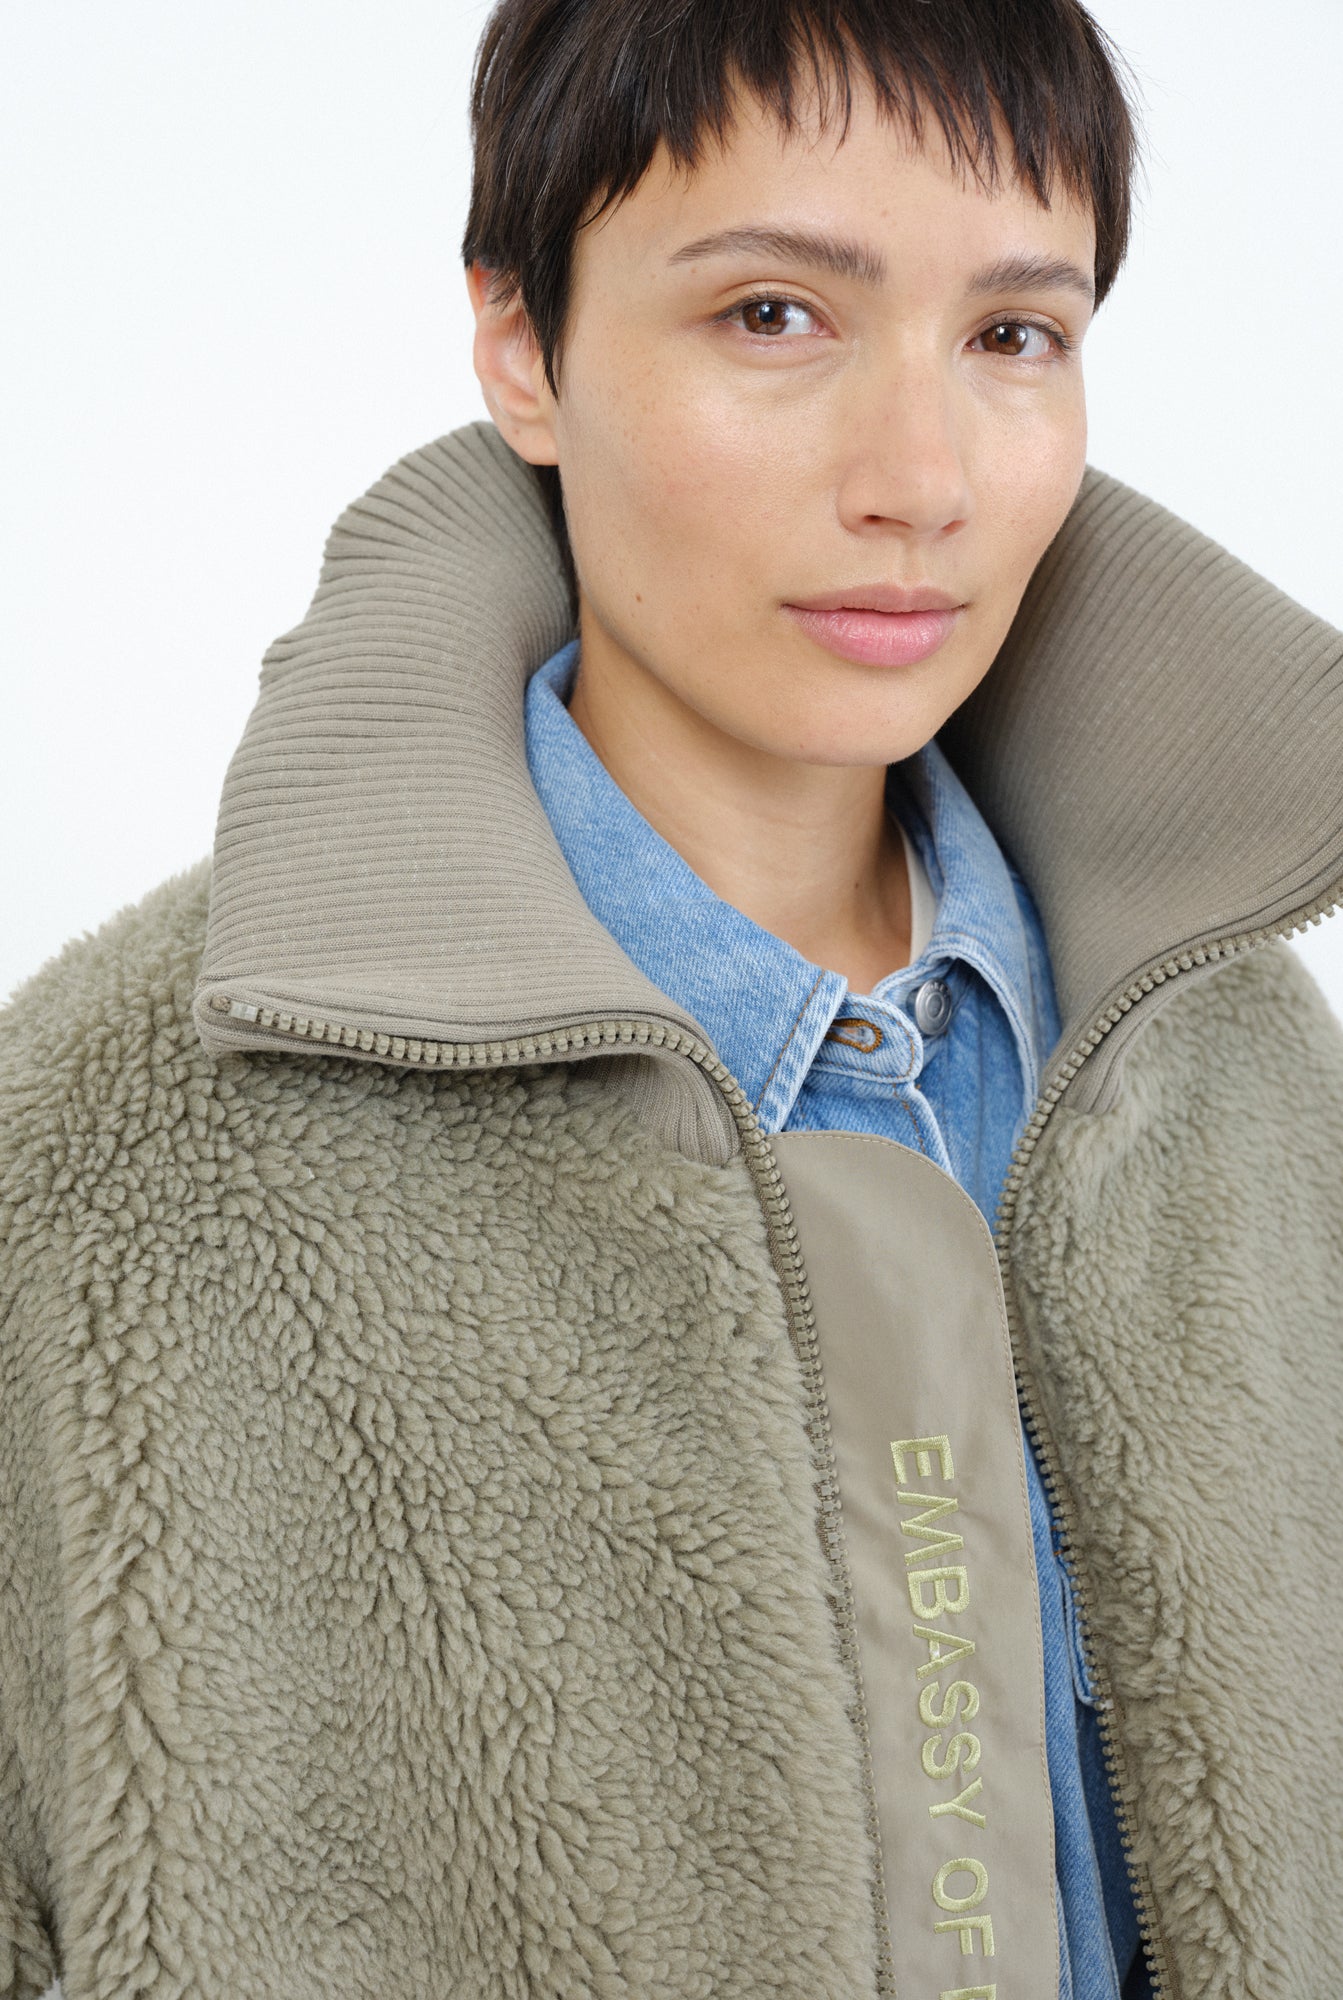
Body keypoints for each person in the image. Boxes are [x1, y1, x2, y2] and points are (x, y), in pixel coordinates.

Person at [2, 2, 1340, 1996]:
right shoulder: (99, 1163)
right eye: (774, 315)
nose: (921, 478)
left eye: (1013, 334)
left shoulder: (1239, 1074)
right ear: (521, 344)